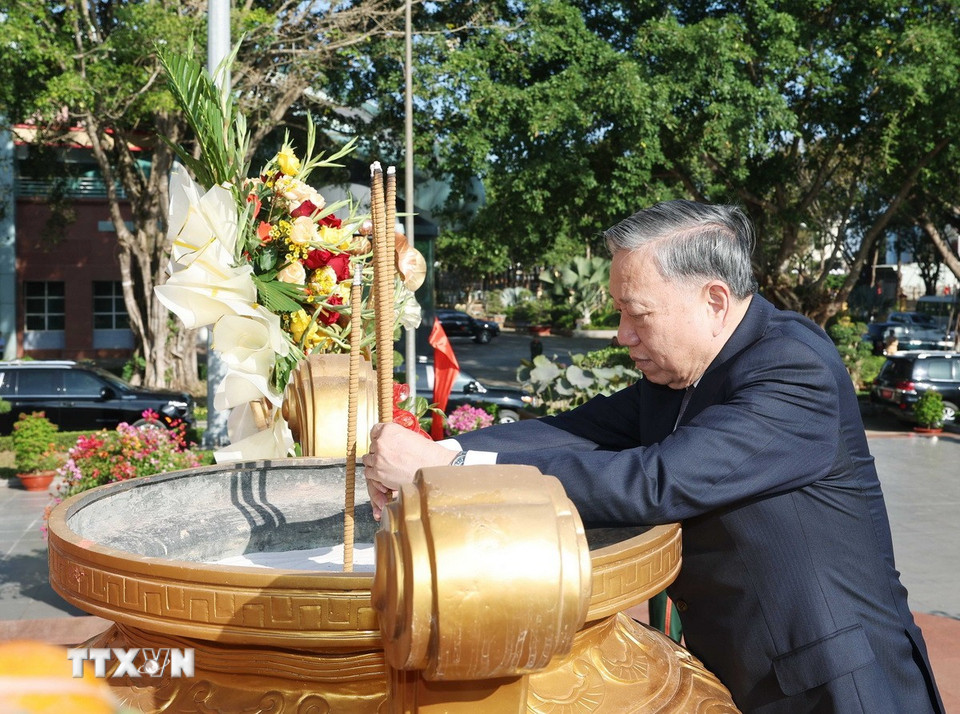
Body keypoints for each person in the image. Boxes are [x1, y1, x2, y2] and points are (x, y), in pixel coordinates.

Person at [363, 200, 944, 713]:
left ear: (713, 299)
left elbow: (656, 483)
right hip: (750, 671)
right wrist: (446, 449)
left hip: (838, 687)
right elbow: (580, 432)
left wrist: (447, 475)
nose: (622, 334)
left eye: (637, 314)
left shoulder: (793, 369)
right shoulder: (685, 372)